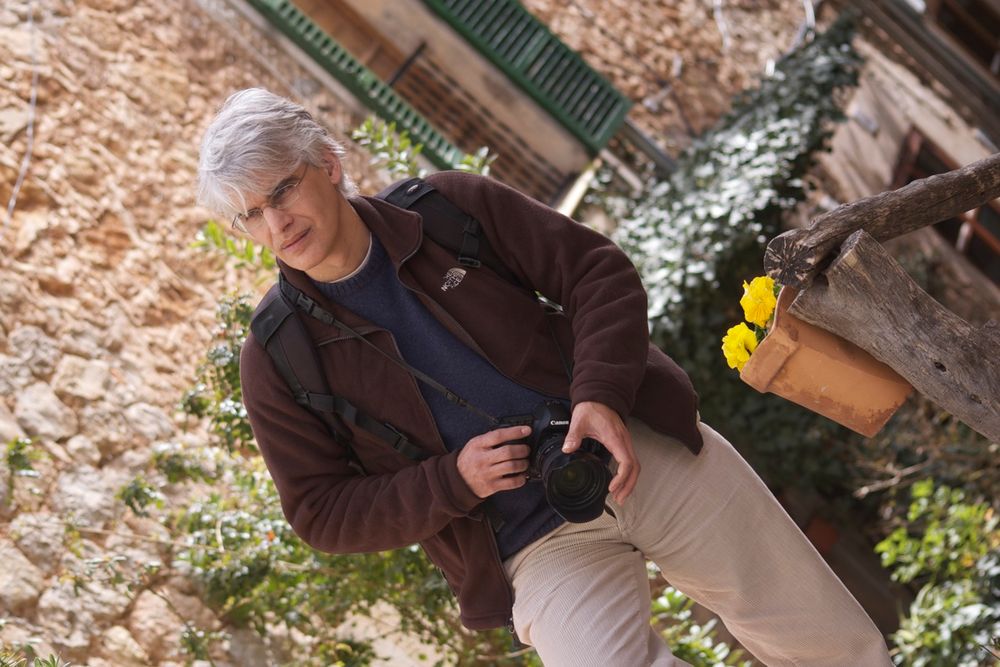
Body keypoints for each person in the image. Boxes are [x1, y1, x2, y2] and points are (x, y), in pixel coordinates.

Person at [197, 87, 892, 666]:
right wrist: (451, 481)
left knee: (821, 636)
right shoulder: (276, 358)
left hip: (634, 448)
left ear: (327, 162)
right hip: (529, 546)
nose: (276, 221)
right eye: (251, 214)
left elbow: (597, 273)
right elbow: (321, 511)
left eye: (282, 188)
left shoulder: (447, 208)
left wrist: (600, 395)